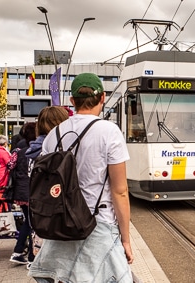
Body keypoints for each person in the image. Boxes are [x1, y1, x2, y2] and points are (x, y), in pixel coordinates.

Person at [28, 73, 134, 282]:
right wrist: (126, 240)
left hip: (61, 222)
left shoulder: (54, 134)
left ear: (72, 101)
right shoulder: (109, 132)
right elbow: (120, 191)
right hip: (98, 223)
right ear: (102, 97)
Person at [11, 107, 69, 269]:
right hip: (54, 211)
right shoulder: (53, 148)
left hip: (36, 206)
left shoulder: (33, 148)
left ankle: (32, 258)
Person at [9, 122, 37, 267]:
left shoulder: (18, 151)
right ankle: (32, 257)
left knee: (28, 221)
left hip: (20, 192)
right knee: (34, 223)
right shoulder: (36, 151)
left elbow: (10, 166)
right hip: (32, 191)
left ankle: (18, 251)